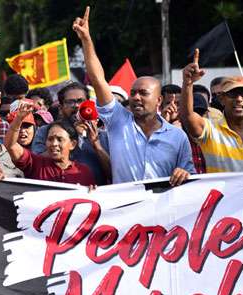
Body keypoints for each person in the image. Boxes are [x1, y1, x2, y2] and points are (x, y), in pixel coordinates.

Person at [73, 6, 193, 185]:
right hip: (127, 211)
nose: (136, 97)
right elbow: (98, 80)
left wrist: (184, 173)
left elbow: (190, 175)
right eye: (133, 93)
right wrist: (86, 39)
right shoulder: (117, 120)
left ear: (159, 100)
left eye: (143, 93)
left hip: (165, 210)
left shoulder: (177, 137)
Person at [179, 50, 243, 173]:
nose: (239, 99)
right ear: (221, 99)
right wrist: (188, 83)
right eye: (232, 94)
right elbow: (187, 116)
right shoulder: (210, 130)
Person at [31, 82, 111, 185]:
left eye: (80, 101)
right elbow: (35, 164)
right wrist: (71, 136)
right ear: (60, 107)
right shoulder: (45, 132)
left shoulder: (102, 136)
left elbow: (112, 174)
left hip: (94, 195)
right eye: (70, 102)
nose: (77, 106)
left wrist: (96, 145)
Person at [4, 100, 95, 186]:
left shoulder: (84, 172)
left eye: (60, 139)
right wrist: (18, 119)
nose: (54, 143)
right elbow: (11, 145)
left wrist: (90, 191)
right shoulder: (35, 164)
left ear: (72, 144)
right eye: (50, 139)